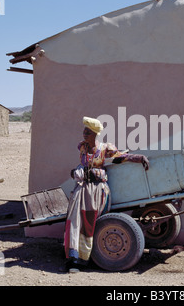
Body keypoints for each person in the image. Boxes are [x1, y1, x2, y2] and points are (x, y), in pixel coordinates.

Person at [64, 116, 149, 272]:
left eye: (87, 132)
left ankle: (87, 257)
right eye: (84, 131)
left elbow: (120, 157)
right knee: (75, 221)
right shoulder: (81, 147)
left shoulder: (104, 148)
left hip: (97, 191)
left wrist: (138, 158)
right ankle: (74, 259)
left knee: (91, 222)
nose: (84, 134)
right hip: (82, 190)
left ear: (95, 133)